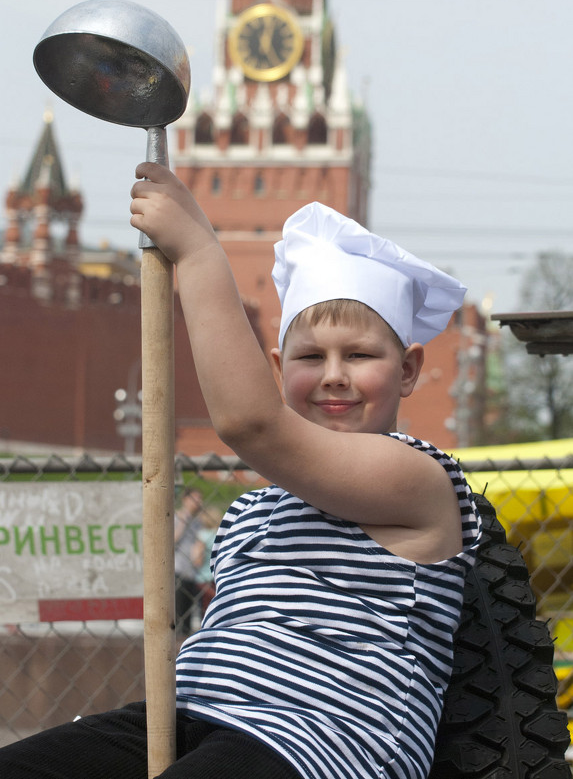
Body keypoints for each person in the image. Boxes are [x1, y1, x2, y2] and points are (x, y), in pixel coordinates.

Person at [0, 166, 481, 779]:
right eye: (311, 357)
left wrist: (198, 251)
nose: (334, 374)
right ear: (278, 366)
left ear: (409, 370)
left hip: (326, 742)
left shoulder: (420, 481)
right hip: (194, 718)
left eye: (359, 355)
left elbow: (253, 425)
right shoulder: (254, 511)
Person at [174, 487, 204, 635]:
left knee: (188, 616)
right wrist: (183, 521)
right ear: (185, 500)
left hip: (192, 571)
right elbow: (171, 541)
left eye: (199, 499)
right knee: (177, 612)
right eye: (194, 499)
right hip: (177, 570)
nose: (198, 502)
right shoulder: (175, 518)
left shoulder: (198, 522)